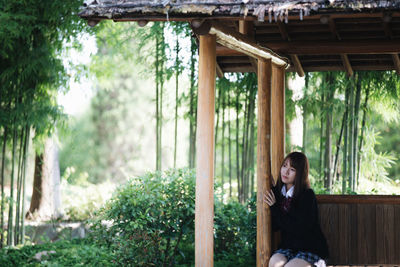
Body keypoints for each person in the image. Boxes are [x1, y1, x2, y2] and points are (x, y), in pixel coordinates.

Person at [264, 152, 329, 267]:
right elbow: (275, 226)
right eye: (284, 166)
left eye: (292, 169)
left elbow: (297, 228)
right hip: (288, 249)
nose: (286, 171)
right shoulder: (278, 194)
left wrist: (275, 208)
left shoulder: (307, 196)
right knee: (274, 263)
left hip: (310, 249)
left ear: (300, 174)